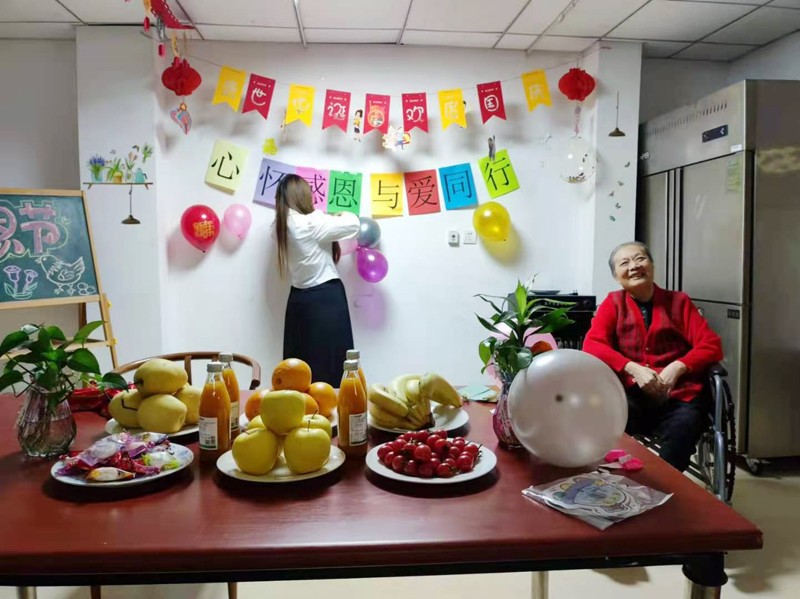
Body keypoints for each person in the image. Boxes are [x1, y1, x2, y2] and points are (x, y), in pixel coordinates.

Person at [583, 241, 723, 472]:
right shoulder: (613, 303)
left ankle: (663, 485)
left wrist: (678, 367)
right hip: (632, 396)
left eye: (640, 259)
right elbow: (592, 344)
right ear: (616, 276)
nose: (634, 266)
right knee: (606, 422)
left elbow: (711, 344)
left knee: (682, 431)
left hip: (680, 395)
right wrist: (633, 368)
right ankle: (613, 482)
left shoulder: (679, 302)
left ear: (652, 265)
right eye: (624, 263)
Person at [274, 174, 361, 386]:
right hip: (325, 299)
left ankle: (299, 405)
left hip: (298, 300)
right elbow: (353, 224)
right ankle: (333, 405)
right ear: (302, 196)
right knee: (332, 364)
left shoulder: (280, 226)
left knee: (299, 364)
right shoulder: (311, 222)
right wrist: (340, 213)